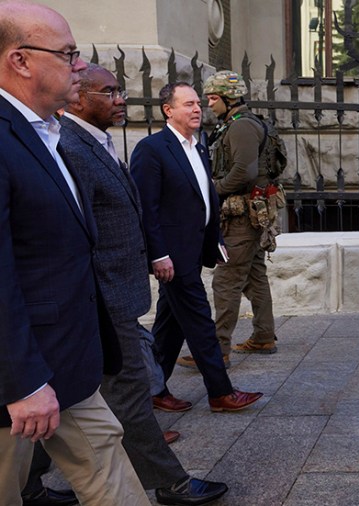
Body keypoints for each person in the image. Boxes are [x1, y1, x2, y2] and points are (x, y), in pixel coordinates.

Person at [55, 64, 229, 506]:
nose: (120, 98)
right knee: (129, 390)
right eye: (108, 91)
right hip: (103, 294)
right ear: (76, 97)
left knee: (76, 394)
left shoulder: (95, 141)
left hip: (118, 291)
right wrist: (157, 253)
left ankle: (32, 482)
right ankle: (171, 483)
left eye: (120, 90)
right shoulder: (72, 146)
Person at [0, 2, 149, 505]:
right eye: (68, 54)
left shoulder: (47, 133)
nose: (81, 66)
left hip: (67, 363)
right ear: (19, 60)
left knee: (111, 471)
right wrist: (21, 383)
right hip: (16, 379)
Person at [131, 81, 263, 414]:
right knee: (200, 320)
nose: (196, 109)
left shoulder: (199, 145)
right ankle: (220, 392)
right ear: (167, 110)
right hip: (172, 255)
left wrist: (214, 240)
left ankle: (153, 388)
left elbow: (203, 197)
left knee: (170, 323)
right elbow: (146, 207)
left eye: (198, 104)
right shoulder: (152, 149)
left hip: (194, 248)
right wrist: (158, 254)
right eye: (187, 104)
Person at [173, 70, 278, 369]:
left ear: (228, 98)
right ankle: (263, 336)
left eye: (212, 98)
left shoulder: (242, 127)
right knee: (255, 275)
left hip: (242, 216)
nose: (207, 104)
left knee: (226, 281)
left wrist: (210, 189)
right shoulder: (241, 123)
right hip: (250, 213)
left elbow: (243, 173)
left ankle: (217, 350)